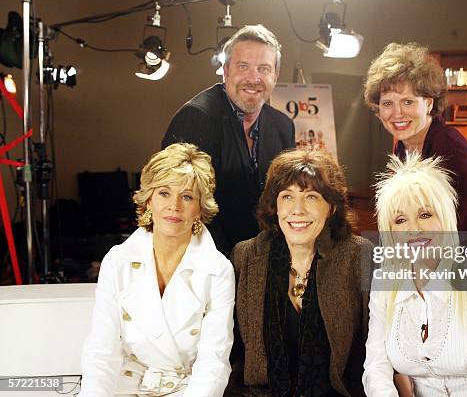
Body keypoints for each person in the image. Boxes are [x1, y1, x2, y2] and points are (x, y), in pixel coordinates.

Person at [80, 143, 235, 397]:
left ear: (199, 208)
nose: (174, 206)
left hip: (187, 389)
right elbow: (101, 351)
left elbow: (213, 362)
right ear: (149, 200)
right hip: (123, 386)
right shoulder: (117, 261)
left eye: (187, 196)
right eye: (164, 193)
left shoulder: (218, 270)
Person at [363, 153, 467, 397]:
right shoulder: (384, 281)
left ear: (445, 219)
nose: (413, 229)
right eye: (400, 220)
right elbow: (376, 368)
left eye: (425, 215)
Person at [230, 149, 372, 397]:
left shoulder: (358, 256)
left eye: (311, 197)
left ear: (331, 208)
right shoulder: (246, 256)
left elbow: (373, 348)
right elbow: (234, 352)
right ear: (274, 205)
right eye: (287, 197)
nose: (297, 210)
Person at [363, 42, 467, 271]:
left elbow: (449, 233)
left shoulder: (448, 148)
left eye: (408, 102)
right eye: (387, 103)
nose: (397, 113)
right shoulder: (403, 145)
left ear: (428, 103)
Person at [162, 24, 296, 257]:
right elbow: (182, 208)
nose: (253, 78)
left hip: (265, 263)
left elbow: (286, 202)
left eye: (264, 68)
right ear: (225, 71)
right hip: (206, 264)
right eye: (243, 66)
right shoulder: (196, 118)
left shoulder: (283, 126)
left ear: (275, 76)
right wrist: (231, 267)